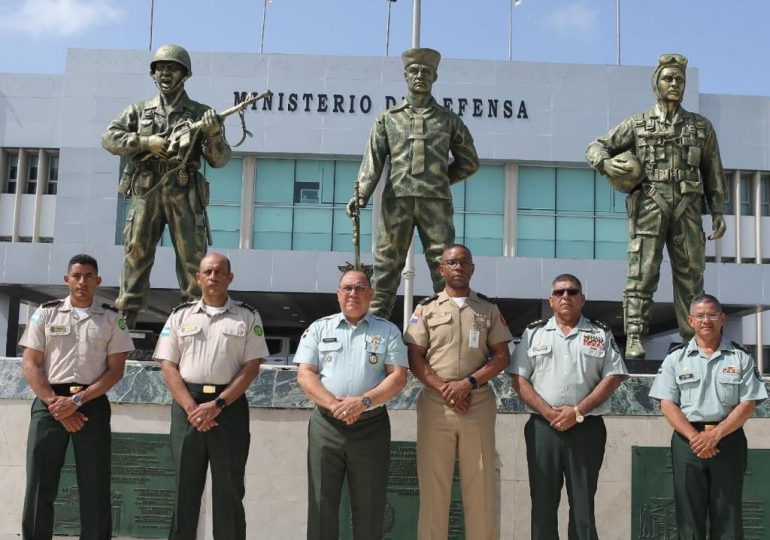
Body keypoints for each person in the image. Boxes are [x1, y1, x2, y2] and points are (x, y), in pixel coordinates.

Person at [586, 53, 727, 359]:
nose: (674, 84)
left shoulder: (701, 127)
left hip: (688, 206)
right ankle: (635, 336)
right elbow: (595, 147)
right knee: (642, 271)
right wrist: (607, 164)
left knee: (691, 274)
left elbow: (713, 170)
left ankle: (693, 338)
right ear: (656, 84)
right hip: (650, 203)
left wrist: (717, 210)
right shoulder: (637, 124)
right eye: (668, 78)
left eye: (680, 80)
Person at [102, 43, 232, 327]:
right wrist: (145, 141)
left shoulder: (200, 112)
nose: (165, 74)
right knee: (137, 249)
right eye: (160, 68)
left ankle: (195, 316)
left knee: (191, 255)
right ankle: (127, 316)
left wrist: (212, 134)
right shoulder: (139, 111)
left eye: (172, 68)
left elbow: (220, 159)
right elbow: (109, 138)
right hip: (147, 187)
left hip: (184, 188)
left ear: (185, 75)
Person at [347, 47, 479, 318]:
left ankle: (450, 321)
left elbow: (469, 162)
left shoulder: (448, 120)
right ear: (405, 75)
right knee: (386, 268)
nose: (420, 76)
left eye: (426, 72)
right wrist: (361, 194)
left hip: (436, 204)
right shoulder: (388, 119)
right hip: (397, 202)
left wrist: (439, 180)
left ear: (435, 77)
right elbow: (373, 161)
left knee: (444, 266)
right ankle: (374, 327)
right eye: (415, 71)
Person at [154, 253, 268, 540]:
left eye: (220, 272)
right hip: (187, 407)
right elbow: (168, 366)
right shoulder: (180, 316)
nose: (214, 277)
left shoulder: (247, 316)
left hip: (228, 408)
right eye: (208, 272)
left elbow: (252, 366)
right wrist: (192, 408)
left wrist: (217, 405)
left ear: (230, 277)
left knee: (229, 490)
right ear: (198, 278)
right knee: (184, 490)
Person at [19, 254, 134, 540]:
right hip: (50, 404)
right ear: (67, 279)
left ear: (98, 280)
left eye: (88, 276)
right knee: (39, 484)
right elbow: (30, 364)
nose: (82, 281)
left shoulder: (111, 317)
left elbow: (115, 371)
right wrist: (56, 405)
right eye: (77, 275)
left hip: (90, 405)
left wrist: (76, 403)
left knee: (94, 485)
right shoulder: (45, 313)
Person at [405, 244, 512, 540]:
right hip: (435, 403)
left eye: (464, 262)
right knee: (433, 488)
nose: (458, 267)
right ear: (441, 269)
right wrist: (444, 388)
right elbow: (415, 356)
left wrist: (468, 384)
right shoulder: (426, 309)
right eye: (451, 262)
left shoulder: (488, 309)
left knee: (480, 487)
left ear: (472, 268)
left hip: (476, 402)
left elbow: (502, 356)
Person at [509, 273, 628, 540]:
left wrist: (578, 412)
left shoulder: (600, 332)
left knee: (584, 504)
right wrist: (549, 412)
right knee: (542, 503)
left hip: (586, 428)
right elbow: (519, 378)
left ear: (582, 299)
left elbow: (614, 376)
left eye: (572, 292)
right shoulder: (533, 333)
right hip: (543, 428)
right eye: (559, 292)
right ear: (551, 300)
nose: (566, 297)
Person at [294, 269, 408, 540]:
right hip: (326, 425)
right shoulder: (320, 328)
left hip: (370, 425)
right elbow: (305, 374)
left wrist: (363, 402)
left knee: (369, 505)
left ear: (371, 294)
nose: (353, 294)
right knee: (321, 502)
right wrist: (334, 405)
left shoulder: (387, 330)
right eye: (347, 288)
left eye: (359, 288)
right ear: (338, 294)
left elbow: (398, 376)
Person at [649, 294, 767, 539]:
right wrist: (696, 437)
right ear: (690, 320)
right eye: (700, 315)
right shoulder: (675, 358)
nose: (706, 320)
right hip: (687, 441)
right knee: (688, 515)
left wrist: (715, 435)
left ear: (722, 318)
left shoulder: (741, 357)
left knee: (728, 513)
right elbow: (667, 404)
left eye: (712, 314)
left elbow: (748, 403)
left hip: (728, 439)